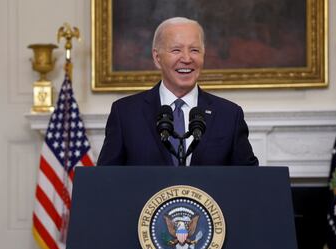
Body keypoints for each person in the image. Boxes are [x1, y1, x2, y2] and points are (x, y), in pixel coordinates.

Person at [97, 17, 258, 166]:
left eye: (194, 50)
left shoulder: (229, 115)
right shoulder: (125, 113)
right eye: (176, 50)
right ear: (157, 57)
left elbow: (250, 180)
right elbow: (106, 181)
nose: (187, 58)